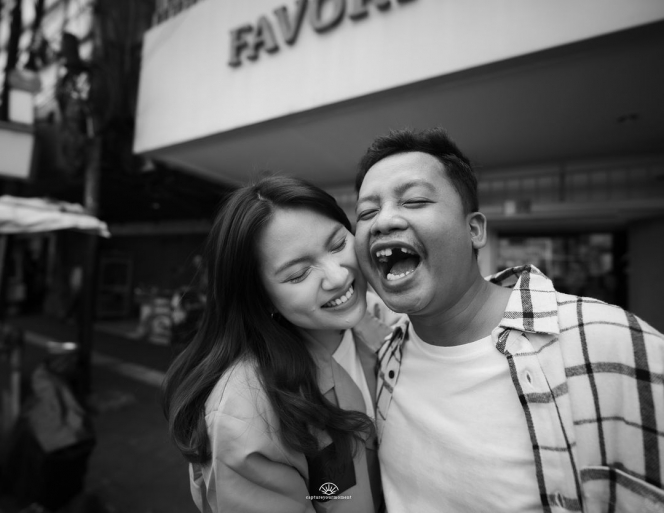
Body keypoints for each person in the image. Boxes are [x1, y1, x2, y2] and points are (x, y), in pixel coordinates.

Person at [353, 127, 664, 512]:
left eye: (414, 200)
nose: (382, 222)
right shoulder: (384, 360)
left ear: (474, 230)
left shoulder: (611, 342)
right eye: (367, 212)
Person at [162, 175, 394, 513]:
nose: (338, 276)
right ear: (261, 297)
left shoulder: (384, 321)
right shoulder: (248, 408)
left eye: (337, 244)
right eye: (298, 274)